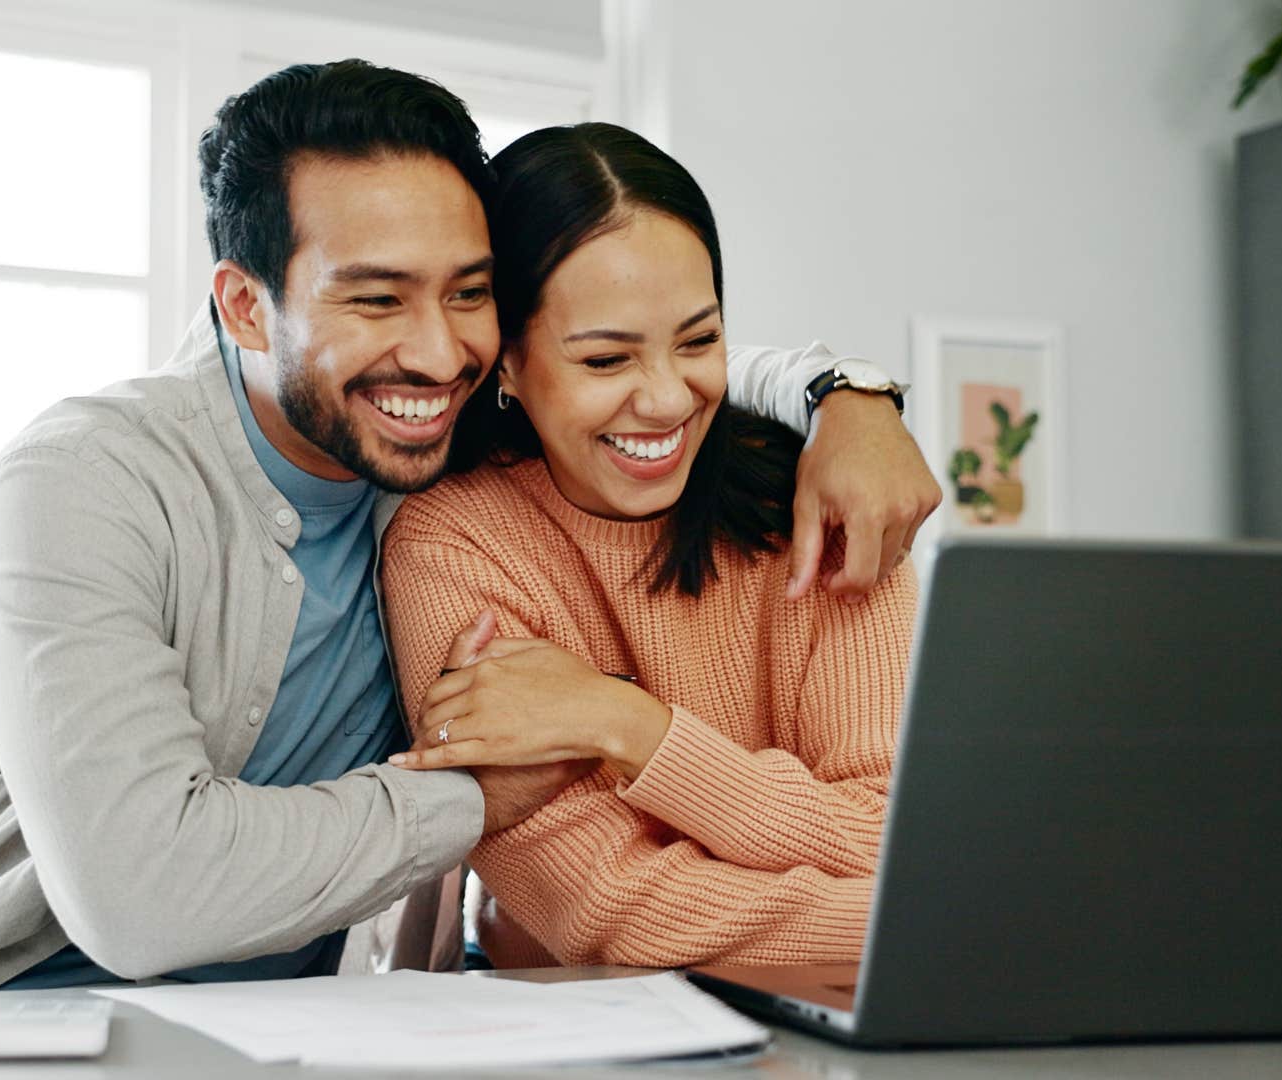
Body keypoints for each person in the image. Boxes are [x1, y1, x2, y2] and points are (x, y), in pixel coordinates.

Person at [0, 61, 937, 997]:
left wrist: (850, 396)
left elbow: (629, 354)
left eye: (466, 293)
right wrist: (468, 803)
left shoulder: (440, 437)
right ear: (245, 303)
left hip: (288, 1036)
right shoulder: (83, 485)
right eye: (374, 298)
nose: (437, 352)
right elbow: (140, 901)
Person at [380, 123, 918, 969]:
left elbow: (901, 839)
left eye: (700, 341)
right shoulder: (453, 545)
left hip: (859, 1022)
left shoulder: (823, 509)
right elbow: (605, 908)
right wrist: (933, 935)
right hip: (576, 1032)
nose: (668, 398)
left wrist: (626, 723)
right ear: (506, 364)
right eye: (605, 359)